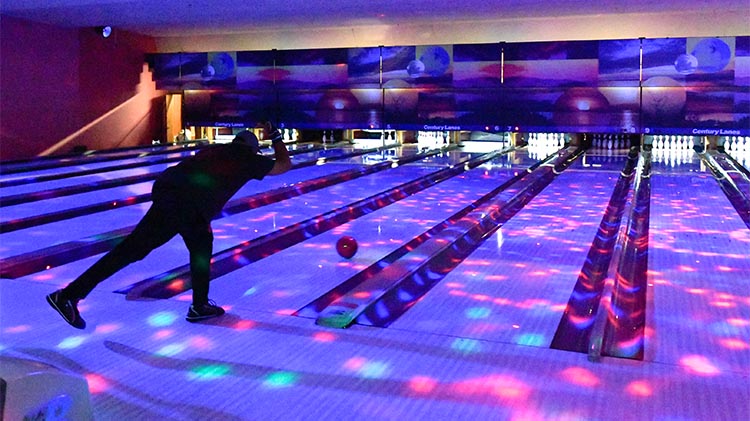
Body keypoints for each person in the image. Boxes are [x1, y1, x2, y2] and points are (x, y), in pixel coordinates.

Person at [46, 122, 292, 329]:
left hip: (167, 192)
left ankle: (69, 295)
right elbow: (284, 165)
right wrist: (276, 136)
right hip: (189, 205)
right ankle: (199, 305)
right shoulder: (248, 158)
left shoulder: (214, 149)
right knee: (199, 247)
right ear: (252, 149)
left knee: (134, 250)